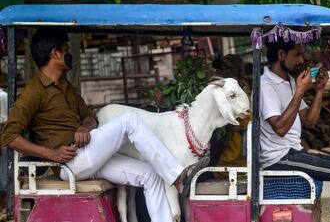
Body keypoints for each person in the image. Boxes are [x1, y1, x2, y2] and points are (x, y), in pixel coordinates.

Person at [1, 28, 206, 222]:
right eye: (66, 49)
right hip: (68, 163)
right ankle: (178, 176)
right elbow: (9, 136)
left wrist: (84, 127)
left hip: (89, 156)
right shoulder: (33, 91)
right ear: (55, 54)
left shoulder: (66, 86)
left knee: (150, 174)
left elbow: (91, 117)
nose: (70, 53)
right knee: (129, 121)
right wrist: (50, 153)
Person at [259, 37, 330, 222]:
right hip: (278, 158)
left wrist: (320, 90)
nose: (301, 61)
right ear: (281, 54)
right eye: (297, 55)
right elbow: (280, 128)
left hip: (294, 152)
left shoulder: (289, 82)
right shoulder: (266, 85)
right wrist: (299, 91)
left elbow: (310, 121)